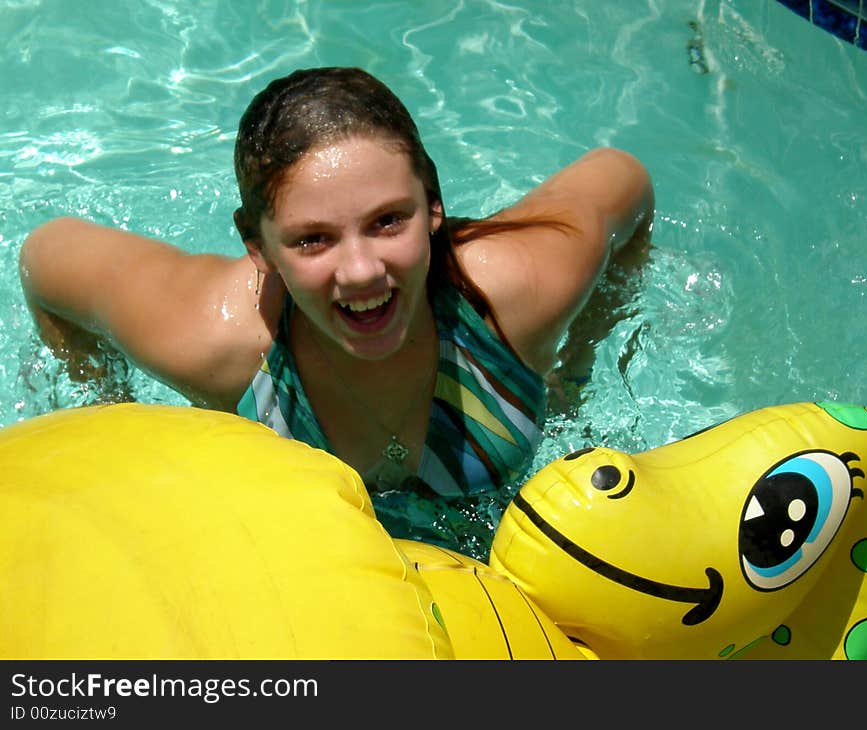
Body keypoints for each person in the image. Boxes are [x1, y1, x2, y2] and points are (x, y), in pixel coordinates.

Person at [19, 66, 653, 548]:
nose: (360, 270)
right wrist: (105, 414)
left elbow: (624, 179)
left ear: (433, 207)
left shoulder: (513, 296)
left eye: (388, 221)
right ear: (258, 246)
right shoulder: (219, 342)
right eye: (312, 238)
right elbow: (47, 260)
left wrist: (575, 371)